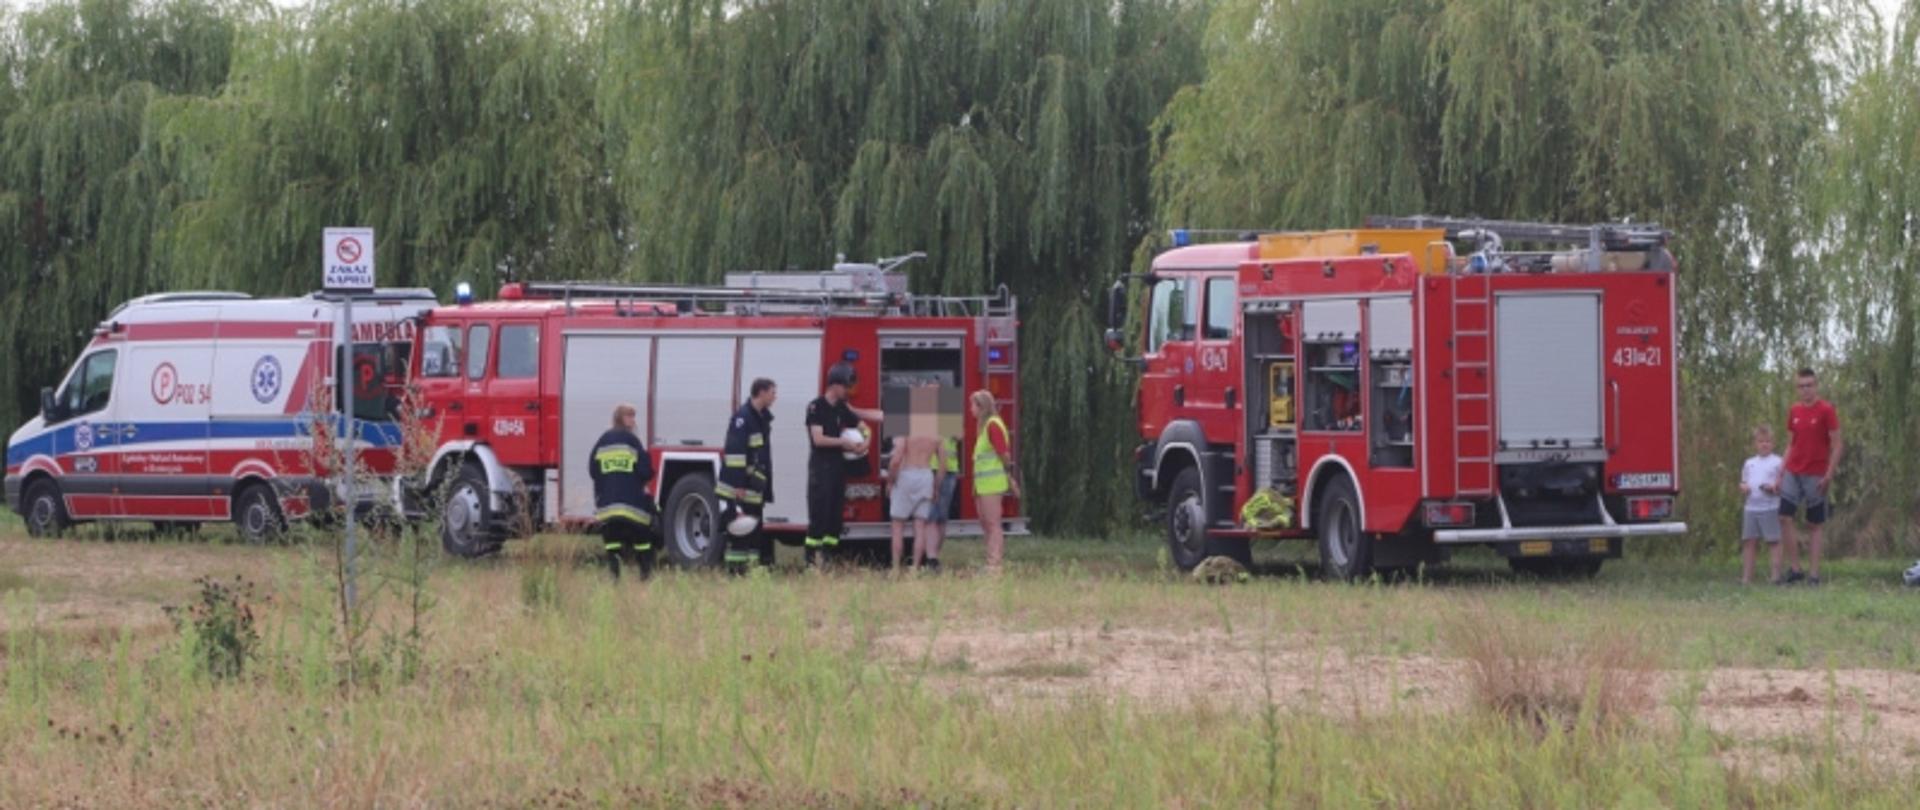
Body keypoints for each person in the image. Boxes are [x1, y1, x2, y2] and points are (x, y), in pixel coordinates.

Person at [805, 362, 883, 566]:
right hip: (821, 469)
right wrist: (844, 443)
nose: (848, 390)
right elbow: (818, 439)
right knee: (819, 515)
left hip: (837, 469)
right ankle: (811, 559)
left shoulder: (841, 408)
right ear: (835, 385)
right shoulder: (816, 407)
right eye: (846, 386)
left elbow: (864, 427)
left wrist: (866, 441)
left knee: (834, 516)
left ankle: (828, 555)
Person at [1779, 368, 1842, 586]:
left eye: (1809, 385)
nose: (1805, 390)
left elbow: (1838, 444)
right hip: (1793, 471)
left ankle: (1814, 575)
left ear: (1816, 386)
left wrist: (1829, 474)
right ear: (1797, 388)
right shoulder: (1794, 410)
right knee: (1784, 517)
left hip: (1816, 474)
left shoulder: (1826, 410)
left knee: (1814, 524)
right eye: (1801, 386)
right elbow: (1790, 443)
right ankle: (1796, 569)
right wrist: (1780, 472)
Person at [590, 404, 657, 580]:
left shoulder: (603, 440)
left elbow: (593, 470)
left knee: (612, 543)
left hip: (608, 507)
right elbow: (645, 471)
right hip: (632, 507)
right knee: (643, 540)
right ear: (621, 418)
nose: (633, 420)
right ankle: (645, 576)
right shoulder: (633, 441)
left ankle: (615, 577)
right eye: (630, 416)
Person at [719, 378, 777, 574]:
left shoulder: (761, 417)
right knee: (739, 531)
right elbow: (735, 454)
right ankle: (735, 572)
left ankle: (751, 571)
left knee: (753, 531)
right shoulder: (743, 418)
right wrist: (738, 486)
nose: (775, 397)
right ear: (761, 392)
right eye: (772, 392)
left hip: (754, 487)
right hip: (741, 488)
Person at [969, 389, 1021, 572]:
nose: (970, 410)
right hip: (983, 485)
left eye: (973, 405)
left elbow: (1004, 454)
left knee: (993, 523)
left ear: (982, 406)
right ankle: (990, 560)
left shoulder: (993, 425)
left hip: (992, 484)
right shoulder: (985, 426)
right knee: (986, 523)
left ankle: (995, 563)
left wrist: (1007, 473)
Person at [888, 430, 945, 572]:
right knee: (920, 528)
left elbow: (896, 460)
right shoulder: (937, 433)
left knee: (897, 527)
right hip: (926, 476)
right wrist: (936, 487)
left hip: (906, 474)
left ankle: (896, 569)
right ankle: (915, 569)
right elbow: (943, 466)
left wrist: (890, 481)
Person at [1739, 425, 1785, 585]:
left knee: (1773, 541)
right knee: (1749, 541)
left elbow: (1783, 485)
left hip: (1770, 506)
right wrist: (1744, 487)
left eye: (1767, 441)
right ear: (1755, 444)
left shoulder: (1778, 462)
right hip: (1751, 507)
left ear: (1773, 443)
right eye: (1761, 441)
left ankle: (1776, 577)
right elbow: (1744, 481)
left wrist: (1774, 488)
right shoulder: (1749, 463)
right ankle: (1746, 578)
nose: (1764, 444)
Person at [922, 433, 962, 572]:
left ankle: (932, 560)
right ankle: (935, 558)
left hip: (934, 470)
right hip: (950, 470)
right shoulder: (949, 416)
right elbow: (960, 436)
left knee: (931, 518)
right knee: (942, 518)